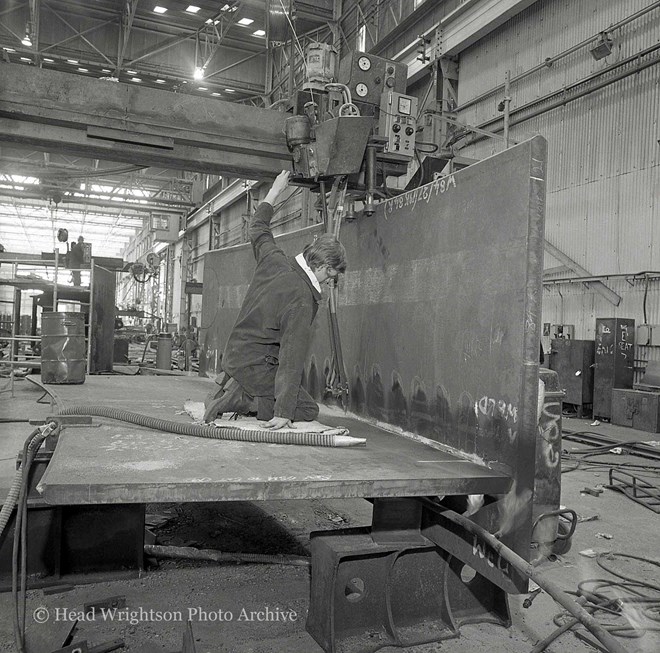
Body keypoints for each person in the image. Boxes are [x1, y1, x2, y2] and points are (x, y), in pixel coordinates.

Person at [203, 170, 347, 429]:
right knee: (306, 409)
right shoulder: (302, 299)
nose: (330, 282)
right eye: (332, 276)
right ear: (324, 266)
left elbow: (257, 227)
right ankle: (242, 399)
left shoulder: (274, 259)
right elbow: (292, 358)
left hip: (234, 354)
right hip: (255, 366)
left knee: (283, 388)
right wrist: (283, 412)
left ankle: (237, 387)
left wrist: (275, 191)